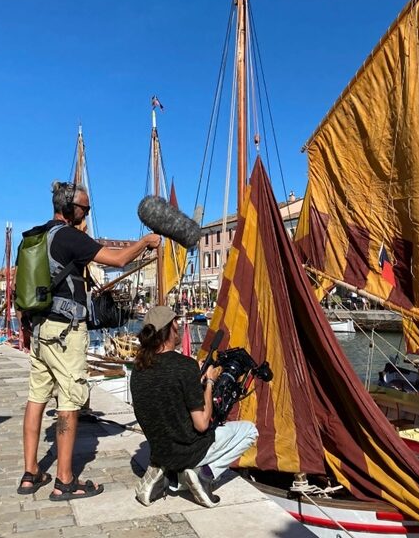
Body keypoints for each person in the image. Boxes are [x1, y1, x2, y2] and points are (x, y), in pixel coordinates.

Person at [18, 181, 161, 500]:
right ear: (69, 208)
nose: (86, 213)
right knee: (69, 402)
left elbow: (22, 290)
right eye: (84, 208)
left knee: (36, 398)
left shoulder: (34, 237)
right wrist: (145, 242)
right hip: (65, 333)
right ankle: (65, 481)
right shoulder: (70, 236)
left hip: (41, 329)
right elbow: (119, 260)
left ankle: (31, 474)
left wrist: (27, 328)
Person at [130, 306, 258, 508]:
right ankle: (203, 474)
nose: (179, 326)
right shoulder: (183, 365)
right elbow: (201, 424)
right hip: (187, 451)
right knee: (250, 430)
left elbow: (166, 396)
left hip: (160, 452)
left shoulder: (138, 369)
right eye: (176, 322)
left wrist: (193, 377)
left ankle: (163, 473)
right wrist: (209, 382)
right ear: (170, 327)